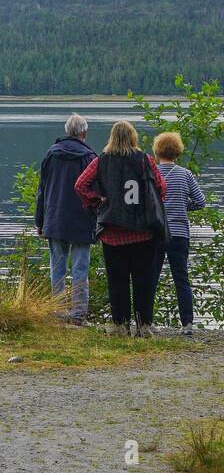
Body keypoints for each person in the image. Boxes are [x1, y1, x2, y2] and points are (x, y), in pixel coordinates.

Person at [74, 120, 167, 338]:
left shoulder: (101, 161)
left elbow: (80, 185)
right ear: (133, 137)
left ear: (112, 137)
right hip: (143, 231)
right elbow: (161, 188)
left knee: (117, 280)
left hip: (113, 233)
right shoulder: (145, 160)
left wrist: (97, 201)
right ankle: (144, 326)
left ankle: (120, 325)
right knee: (143, 280)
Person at [35, 113, 98, 326]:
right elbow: (96, 191)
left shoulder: (51, 155)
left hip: (55, 218)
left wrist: (40, 220)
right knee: (80, 268)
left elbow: (42, 191)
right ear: (84, 133)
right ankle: (79, 315)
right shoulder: (89, 157)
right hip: (82, 219)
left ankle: (58, 313)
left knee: (57, 268)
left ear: (66, 132)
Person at [151, 132, 205, 335]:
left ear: (157, 151)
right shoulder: (185, 174)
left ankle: (146, 320)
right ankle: (187, 324)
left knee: (151, 277)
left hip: (155, 233)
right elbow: (200, 202)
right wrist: (183, 206)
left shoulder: (151, 173)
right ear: (178, 151)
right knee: (181, 278)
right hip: (179, 233)